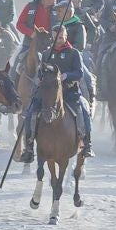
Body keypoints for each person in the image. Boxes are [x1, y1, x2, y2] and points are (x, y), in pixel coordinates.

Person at [20, 28, 94, 158]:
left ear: (66, 37)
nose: (58, 40)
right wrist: (42, 77)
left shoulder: (74, 53)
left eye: (61, 37)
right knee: (30, 112)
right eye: (55, 38)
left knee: (84, 109)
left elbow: (79, 73)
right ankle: (29, 146)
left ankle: (87, 144)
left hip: (69, 91)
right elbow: (40, 73)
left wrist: (67, 75)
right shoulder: (46, 53)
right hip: (48, 93)